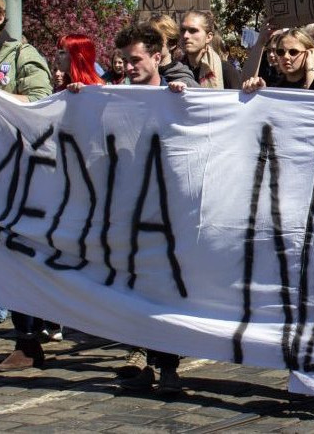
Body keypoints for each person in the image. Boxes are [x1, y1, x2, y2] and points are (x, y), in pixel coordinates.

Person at [64, 23, 187, 393]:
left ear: (157, 56)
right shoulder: (112, 97)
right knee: (133, 284)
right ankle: (139, 354)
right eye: (125, 61)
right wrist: (77, 100)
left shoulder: (175, 91)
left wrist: (183, 99)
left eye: (136, 60)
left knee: (165, 288)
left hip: (167, 210)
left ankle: (167, 367)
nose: (130, 67)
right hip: (126, 208)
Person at [0, 0, 53, 371]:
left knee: (15, 255)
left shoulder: (20, 55)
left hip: (15, 173)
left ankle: (29, 339)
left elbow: (41, 101)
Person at [241, 28, 314, 92]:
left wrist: (311, 68)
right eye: (280, 52)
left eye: (293, 52)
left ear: (309, 53)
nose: (285, 56)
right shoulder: (275, 85)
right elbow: (243, 82)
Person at [179, 11, 241, 89]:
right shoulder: (175, 70)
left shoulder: (225, 71)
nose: (185, 35)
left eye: (193, 30)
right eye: (182, 30)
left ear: (208, 37)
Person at [146, 14, 198, 88]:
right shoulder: (138, 74)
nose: (148, 43)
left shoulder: (183, 80)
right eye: (145, 39)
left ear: (171, 43)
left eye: (155, 39)